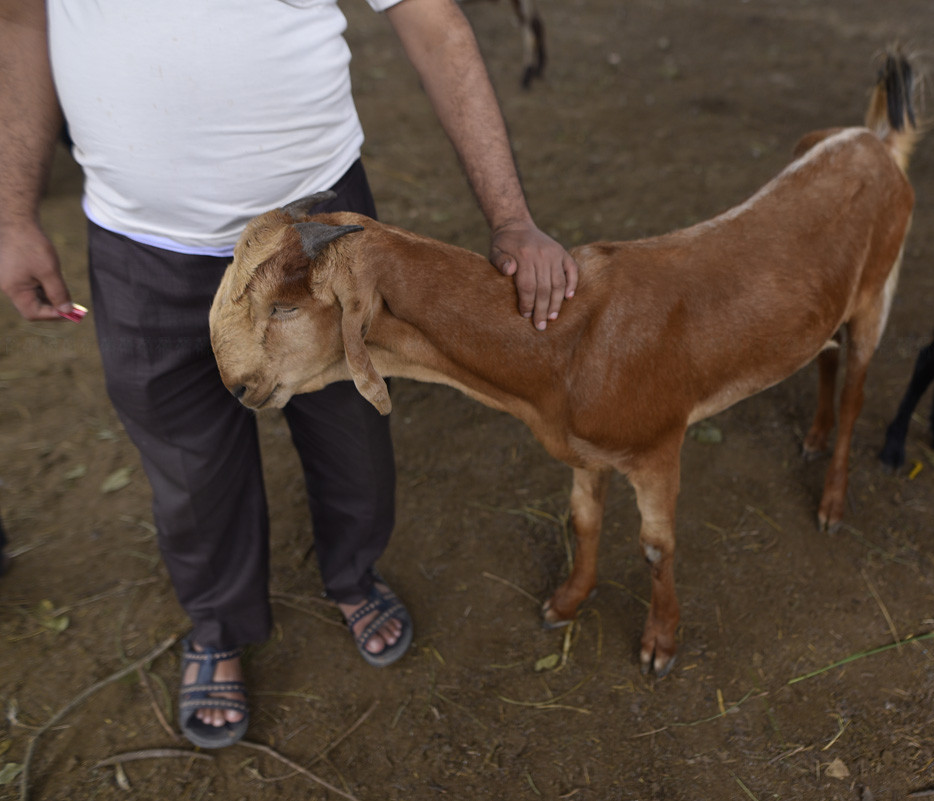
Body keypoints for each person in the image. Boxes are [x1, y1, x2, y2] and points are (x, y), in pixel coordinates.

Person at [0, 0, 579, 748]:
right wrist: (13, 214)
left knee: (352, 426)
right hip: (142, 242)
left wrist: (511, 217)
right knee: (186, 454)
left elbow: (433, 21)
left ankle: (353, 571)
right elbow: (20, 20)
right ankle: (220, 620)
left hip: (316, 226)